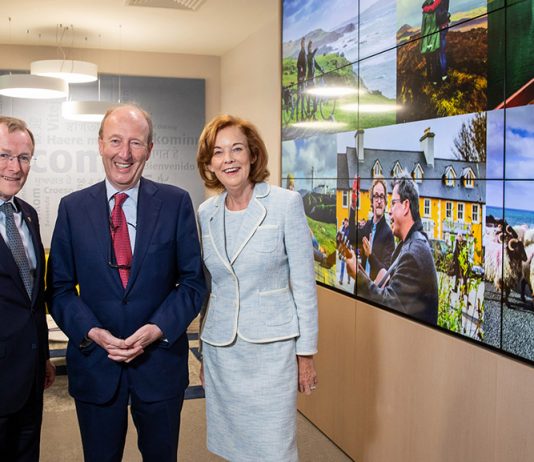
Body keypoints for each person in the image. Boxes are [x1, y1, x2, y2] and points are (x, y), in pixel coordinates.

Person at [46, 104, 206, 462]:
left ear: (150, 149)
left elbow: (193, 283)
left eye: (136, 142)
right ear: (100, 144)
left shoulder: (176, 202)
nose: (125, 153)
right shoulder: (72, 208)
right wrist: (91, 332)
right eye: (116, 141)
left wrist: (157, 328)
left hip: (160, 364)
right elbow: (58, 289)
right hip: (95, 364)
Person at [196, 114, 318, 461]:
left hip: (271, 353)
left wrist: (305, 355)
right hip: (223, 350)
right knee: (232, 446)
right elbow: (210, 287)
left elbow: (305, 286)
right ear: (209, 163)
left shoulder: (284, 204)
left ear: (252, 154)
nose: (228, 159)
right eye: (218, 153)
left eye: (237, 149)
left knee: (274, 448)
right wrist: (204, 353)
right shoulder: (206, 212)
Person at [0, 116, 55, 461]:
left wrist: (44, 357)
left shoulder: (28, 215)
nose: (14, 167)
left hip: (30, 376)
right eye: (4, 155)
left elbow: (32, 301)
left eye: (24, 157)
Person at [344, 173, 438, 325]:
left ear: (406, 206)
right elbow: (391, 286)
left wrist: (357, 274)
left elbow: (388, 302)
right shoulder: (410, 243)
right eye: (376, 197)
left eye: (393, 203)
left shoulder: (413, 253)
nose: (389, 210)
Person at [348, 176, 395, 282]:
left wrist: (370, 255)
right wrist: (353, 207)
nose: (379, 201)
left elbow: (386, 273)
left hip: (375, 294)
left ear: (385, 202)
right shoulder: (367, 226)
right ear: (372, 201)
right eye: (376, 196)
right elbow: (351, 237)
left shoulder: (388, 234)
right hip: (361, 287)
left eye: (382, 197)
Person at [422, 0, 450, 81]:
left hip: (439, 28)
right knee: (441, 52)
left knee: (437, 52)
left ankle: (439, 75)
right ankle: (443, 74)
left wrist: (425, 8)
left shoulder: (434, 3)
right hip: (444, 25)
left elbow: (432, 8)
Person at [421, 0, 441, 84]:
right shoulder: (436, 11)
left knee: (428, 59)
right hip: (434, 37)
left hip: (426, 38)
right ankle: (436, 79)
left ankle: (429, 78)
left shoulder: (424, 13)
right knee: (435, 58)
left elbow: (423, 27)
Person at [306, 39, 324, 117]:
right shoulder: (308, 56)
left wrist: (322, 70)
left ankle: (312, 111)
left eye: (311, 47)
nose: (311, 48)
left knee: (312, 95)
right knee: (312, 95)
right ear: (308, 48)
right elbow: (312, 56)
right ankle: (311, 110)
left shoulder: (312, 57)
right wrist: (316, 50)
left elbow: (316, 65)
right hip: (310, 79)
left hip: (312, 78)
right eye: (310, 47)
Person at [296, 37, 307, 120]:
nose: (303, 44)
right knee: (300, 96)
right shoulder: (301, 52)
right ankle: (298, 114)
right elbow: (298, 64)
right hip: (300, 78)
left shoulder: (304, 52)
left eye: (304, 43)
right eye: (302, 43)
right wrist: (301, 68)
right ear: (301, 44)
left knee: (302, 97)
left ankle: (302, 115)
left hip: (303, 77)